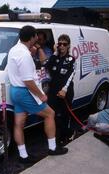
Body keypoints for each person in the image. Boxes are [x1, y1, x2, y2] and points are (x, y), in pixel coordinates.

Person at [6, 25, 68, 164]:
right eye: (36, 36)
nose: (37, 38)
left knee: (19, 123)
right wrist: (41, 95)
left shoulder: (15, 50)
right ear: (32, 37)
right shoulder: (24, 55)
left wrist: (32, 51)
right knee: (50, 114)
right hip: (25, 91)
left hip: (15, 91)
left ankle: (24, 156)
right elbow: (28, 81)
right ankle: (52, 148)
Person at [44, 34, 76, 145]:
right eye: (59, 44)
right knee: (51, 114)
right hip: (53, 90)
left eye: (64, 44)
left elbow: (71, 75)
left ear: (68, 46)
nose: (61, 46)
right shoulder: (55, 58)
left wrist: (65, 90)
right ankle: (55, 135)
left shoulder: (71, 59)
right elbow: (46, 66)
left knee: (65, 115)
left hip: (65, 91)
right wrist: (54, 53)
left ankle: (67, 134)